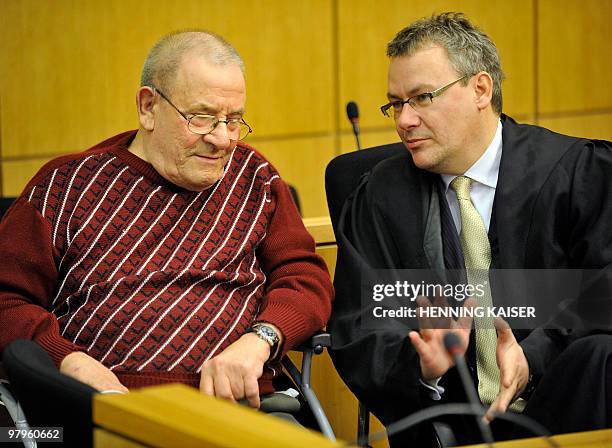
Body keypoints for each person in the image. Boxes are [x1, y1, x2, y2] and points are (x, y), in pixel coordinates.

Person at [0, 31, 333, 412]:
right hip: (105, 411)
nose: (223, 140)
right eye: (203, 118)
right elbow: (7, 299)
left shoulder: (254, 177)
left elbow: (305, 277)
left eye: (234, 120)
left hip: (239, 410)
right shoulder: (66, 186)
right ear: (148, 107)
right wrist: (66, 361)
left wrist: (260, 339)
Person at [329, 12, 612, 446]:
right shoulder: (382, 198)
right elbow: (359, 325)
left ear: (481, 89)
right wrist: (421, 364)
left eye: (422, 98)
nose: (403, 120)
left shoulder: (573, 173)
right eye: (396, 103)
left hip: (564, 403)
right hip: (449, 419)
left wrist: (533, 356)